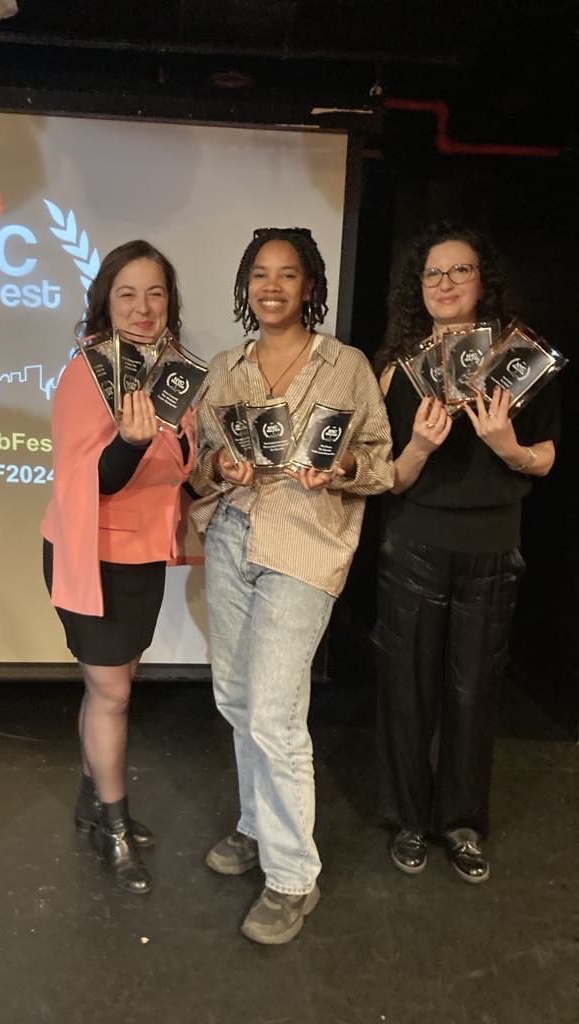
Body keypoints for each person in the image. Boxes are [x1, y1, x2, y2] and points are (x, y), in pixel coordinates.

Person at [190, 227, 393, 944]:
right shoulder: (224, 368)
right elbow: (200, 463)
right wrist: (222, 472)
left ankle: (290, 876)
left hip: (305, 547)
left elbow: (381, 460)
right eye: (260, 275)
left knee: (275, 714)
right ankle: (254, 821)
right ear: (247, 286)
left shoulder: (346, 366)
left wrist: (340, 472)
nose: (272, 286)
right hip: (232, 538)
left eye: (288, 274)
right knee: (236, 696)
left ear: (311, 286)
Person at [372, 222, 559, 884]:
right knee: (406, 690)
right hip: (414, 543)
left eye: (460, 271)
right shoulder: (395, 368)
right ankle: (406, 820)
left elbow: (546, 455)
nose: (445, 284)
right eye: (433, 274)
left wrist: (509, 447)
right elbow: (384, 477)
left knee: (475, 693)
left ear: (485, 281)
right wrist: (420, 447)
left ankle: (462, 823)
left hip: (492, 547)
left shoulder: (521, 361)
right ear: (416, 288)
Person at [41, 240, 194, 895]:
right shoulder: (88, 371)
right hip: (89, 552)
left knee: (111, 687)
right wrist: (129, 447)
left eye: (155, 292)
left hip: (142, 555)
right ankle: (116, 825)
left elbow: (185, 463)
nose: (142, 306)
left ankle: (90, 800)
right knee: (116, 695)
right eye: (127, 293)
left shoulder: (177, 373)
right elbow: (91, 481)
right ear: (106, 300)